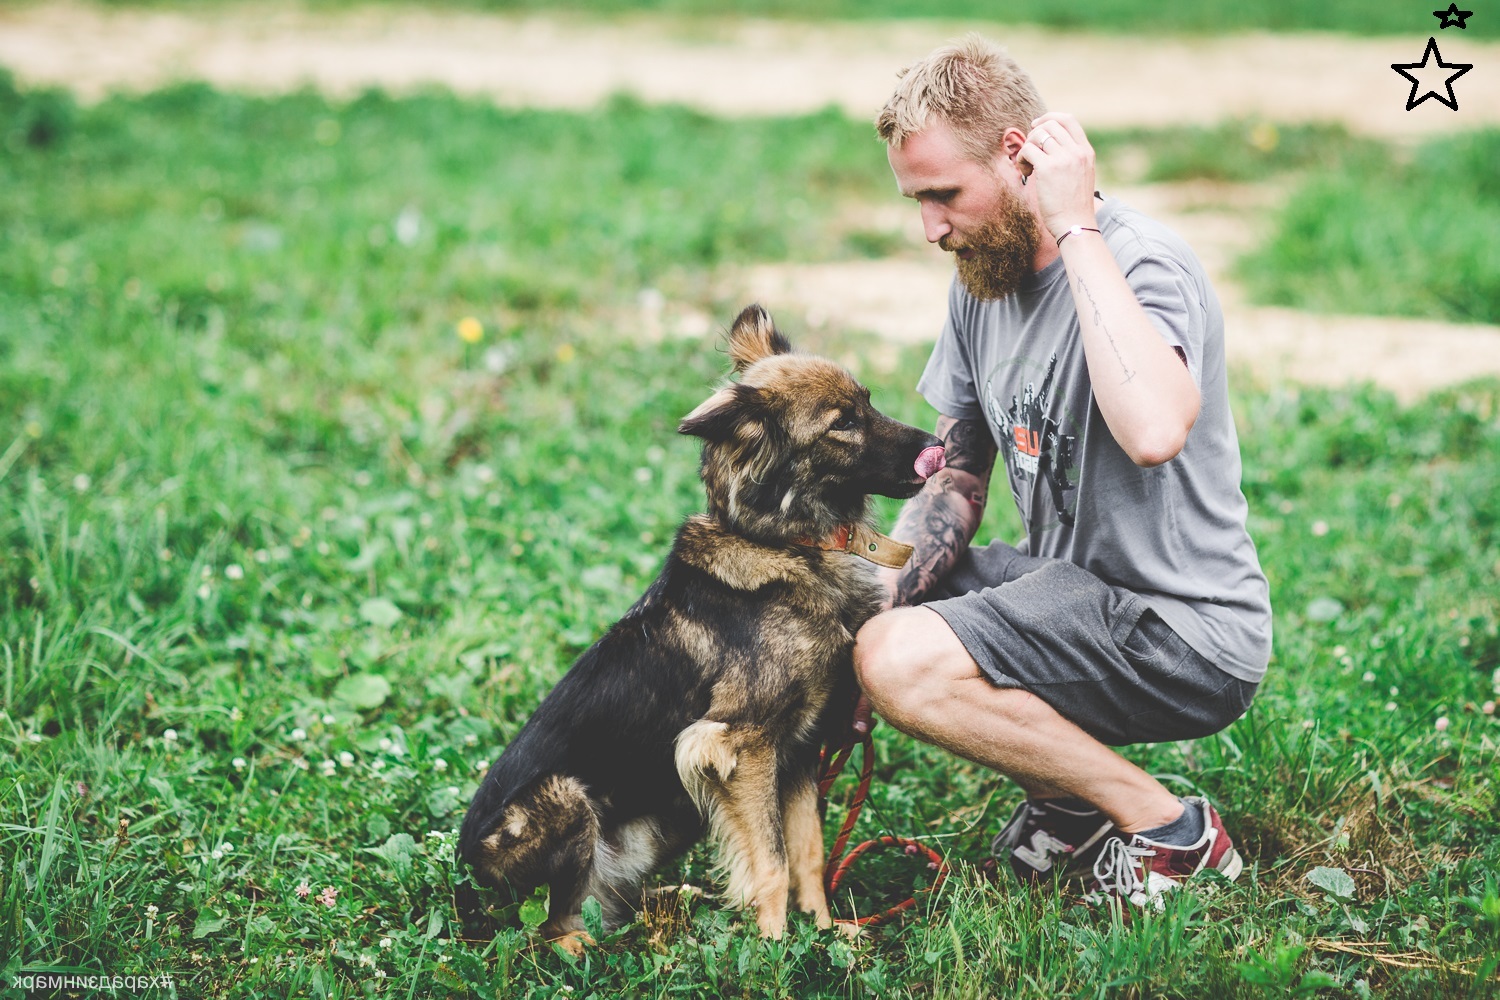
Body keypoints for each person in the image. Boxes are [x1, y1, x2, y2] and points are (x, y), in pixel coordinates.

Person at [851, 35, 1272, 908]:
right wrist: (853, 620)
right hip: (1072, 595)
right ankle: (1069, 800)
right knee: (855, 596)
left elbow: (1155, 428)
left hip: (1182, 632)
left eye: (943, 195)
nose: (931, 227)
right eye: (916, 201)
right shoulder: (981, 280)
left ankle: (1167, 830)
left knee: (899, 659)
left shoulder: (1140, 260)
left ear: (1020, 157)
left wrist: (1074, 222)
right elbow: (954, 479)